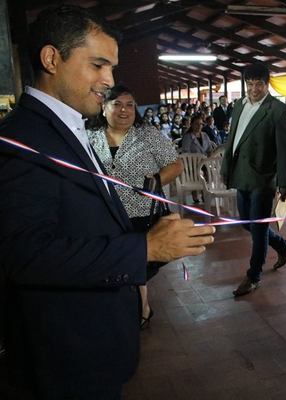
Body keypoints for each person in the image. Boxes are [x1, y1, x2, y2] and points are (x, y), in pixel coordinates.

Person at [0, 5, 214, 398]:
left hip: (92, 342)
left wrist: (153, 239)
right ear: (52, 58)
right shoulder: (25, 138)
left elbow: (82, 219)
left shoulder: (68, 127)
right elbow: (22, 253)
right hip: (64, 354)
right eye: (98, 65)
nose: (108, 80)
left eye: (112, 68)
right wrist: (143, 249)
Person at [88, 84, 183, 329]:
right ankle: (136, 308)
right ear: (103, 106)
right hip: (103, 212)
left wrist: (158, 180)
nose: (124, 110)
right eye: (117, 104)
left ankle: (141, 309)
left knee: (136, 261)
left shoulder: (147, 134)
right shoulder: (89, 135)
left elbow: (175, 164)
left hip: (140, 213)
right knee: (115, 261)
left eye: (129, 105)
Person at [221, 62, 286, 297]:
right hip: (241, 173)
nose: (254, 89)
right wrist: (226, 168)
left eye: (259, 84)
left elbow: (285, 150)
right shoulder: (238, 106)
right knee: (247, 223)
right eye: (250, 84)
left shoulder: (277, 110)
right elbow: (232, 139)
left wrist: (283, 183)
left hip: (263, 177)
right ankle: (283, 246)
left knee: (259, 227)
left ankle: (253, 276)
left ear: (267, 84)